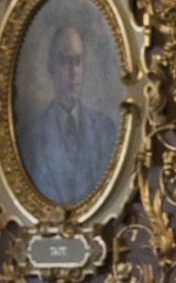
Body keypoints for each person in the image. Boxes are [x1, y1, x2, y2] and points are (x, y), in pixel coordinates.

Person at [18, 25, 118, 205]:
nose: (74, 72)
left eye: (78, 61)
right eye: (65, 61)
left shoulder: (106, 129)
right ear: (51, 69)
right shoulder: (30, 134)